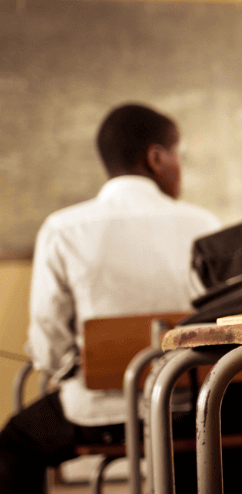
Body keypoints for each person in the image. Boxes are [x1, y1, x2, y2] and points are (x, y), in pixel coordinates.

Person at [0, 103, 221, 493]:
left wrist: (73, 364)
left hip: (99, 416)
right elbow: (221, 322)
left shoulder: (63, 228)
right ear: (155, 157)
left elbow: (49, 346)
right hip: (186, 412)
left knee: (15, 442)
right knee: (212, 441)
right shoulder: (203, 226)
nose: (180, 168)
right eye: (179, 156)